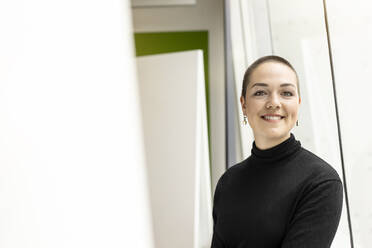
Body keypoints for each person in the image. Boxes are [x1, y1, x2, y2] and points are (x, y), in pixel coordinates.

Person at [211, 55, 343, 247]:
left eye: (286, 93)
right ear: (244, 105)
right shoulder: (228, 182)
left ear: (298, 103)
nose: (273, 103)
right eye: (260, 93)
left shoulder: (321, 182)